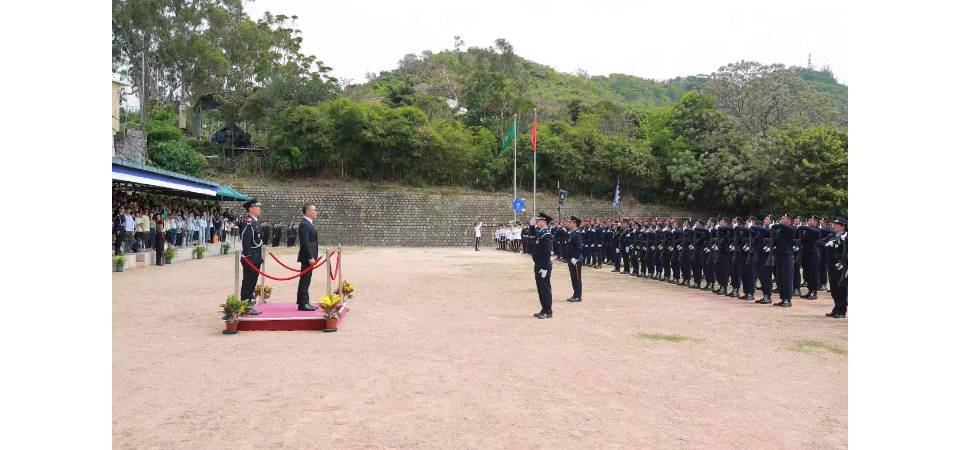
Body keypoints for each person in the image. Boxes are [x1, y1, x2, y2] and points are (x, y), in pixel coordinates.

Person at [239, 198, 263, 315]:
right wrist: (247, 257)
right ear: (251, 208)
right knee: (248, 282)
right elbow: (246, 241)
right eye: (257, 206)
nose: (259, 209)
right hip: (250, 258)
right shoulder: (248, 222)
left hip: (256, 257)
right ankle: (245, 305)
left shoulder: (255, 221)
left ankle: (248, 303)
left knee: (252, 282)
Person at [820, 218, 848, 318]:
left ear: (842, 226)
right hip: (831, 264)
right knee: (834, 288)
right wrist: (826, 244)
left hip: (840, 266)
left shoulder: (846, 236)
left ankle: (842, 310)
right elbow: (820, 242)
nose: (834, 226)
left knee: (841, 288)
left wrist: (842, 262)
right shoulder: (831, 235)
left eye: (836, 224)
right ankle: (836, 308)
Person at [531, 212, 555, 319]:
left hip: (543, 265)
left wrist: (545, 268)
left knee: (544, 287)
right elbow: (534, 235)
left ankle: (548, 310)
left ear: (544, 221)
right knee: (540, 287)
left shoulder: (547, 235)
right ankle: (544, 308)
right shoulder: (542, 233)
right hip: (539, 264)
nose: (537, 221)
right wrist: (531, 226)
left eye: (539, 220)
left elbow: (547, 252)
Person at [296, 203, 320, 311]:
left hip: (310, 256)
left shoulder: (309, 223)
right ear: (307, 211)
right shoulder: (304, 224)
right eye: (314, 210)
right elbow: (305, 243)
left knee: (306, 280)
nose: (316, 212)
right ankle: (303, 303)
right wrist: (311, 257)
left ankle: (304, 301)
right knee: (305, 280)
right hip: (307, 257)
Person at [771, 214, 797, 307]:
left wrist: (776, 225)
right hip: (778, 255)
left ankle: (788, 299)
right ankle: (783, 298)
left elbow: (786, 228)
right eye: (781, 218)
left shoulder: (791, 228)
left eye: (783, 219)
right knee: (780, 278)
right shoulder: (780, 230)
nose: (781, 220)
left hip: (787, 256)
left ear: (789, 221)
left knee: (787, 278)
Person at [798, 216, 823, 299]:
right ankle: (809, 290)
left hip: (813, 255)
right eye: (808, 220)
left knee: (813, 274)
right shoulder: (806, 231)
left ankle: (814, 292)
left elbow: (813, 231)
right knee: (807, 274)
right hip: (806, 254)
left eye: (811, 220)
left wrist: (803, 227)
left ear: (816, 222)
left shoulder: (817, 230)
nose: (809, 222)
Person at [565, 216, 584, 303]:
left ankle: (578, 296)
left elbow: (579, 247)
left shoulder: (577, 233)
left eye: (571, 223)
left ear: (575, 224)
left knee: (577, 278)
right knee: (573, 278)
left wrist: (575, 258)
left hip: (576, 260)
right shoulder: (571, 233)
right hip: (571, 259)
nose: (569, 224)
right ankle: (575, 294)